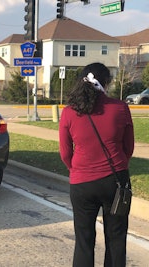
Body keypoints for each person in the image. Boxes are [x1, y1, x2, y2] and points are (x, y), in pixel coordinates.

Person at [59, 63, 134, 267]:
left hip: (82, 183)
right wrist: (118, 166)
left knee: (83, 240)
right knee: (116, 238)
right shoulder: (120, 108)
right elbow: (129, 148)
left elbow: (65, 153)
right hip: (116, 181)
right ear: (106, 83)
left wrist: (76, 170)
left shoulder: (68, 112)